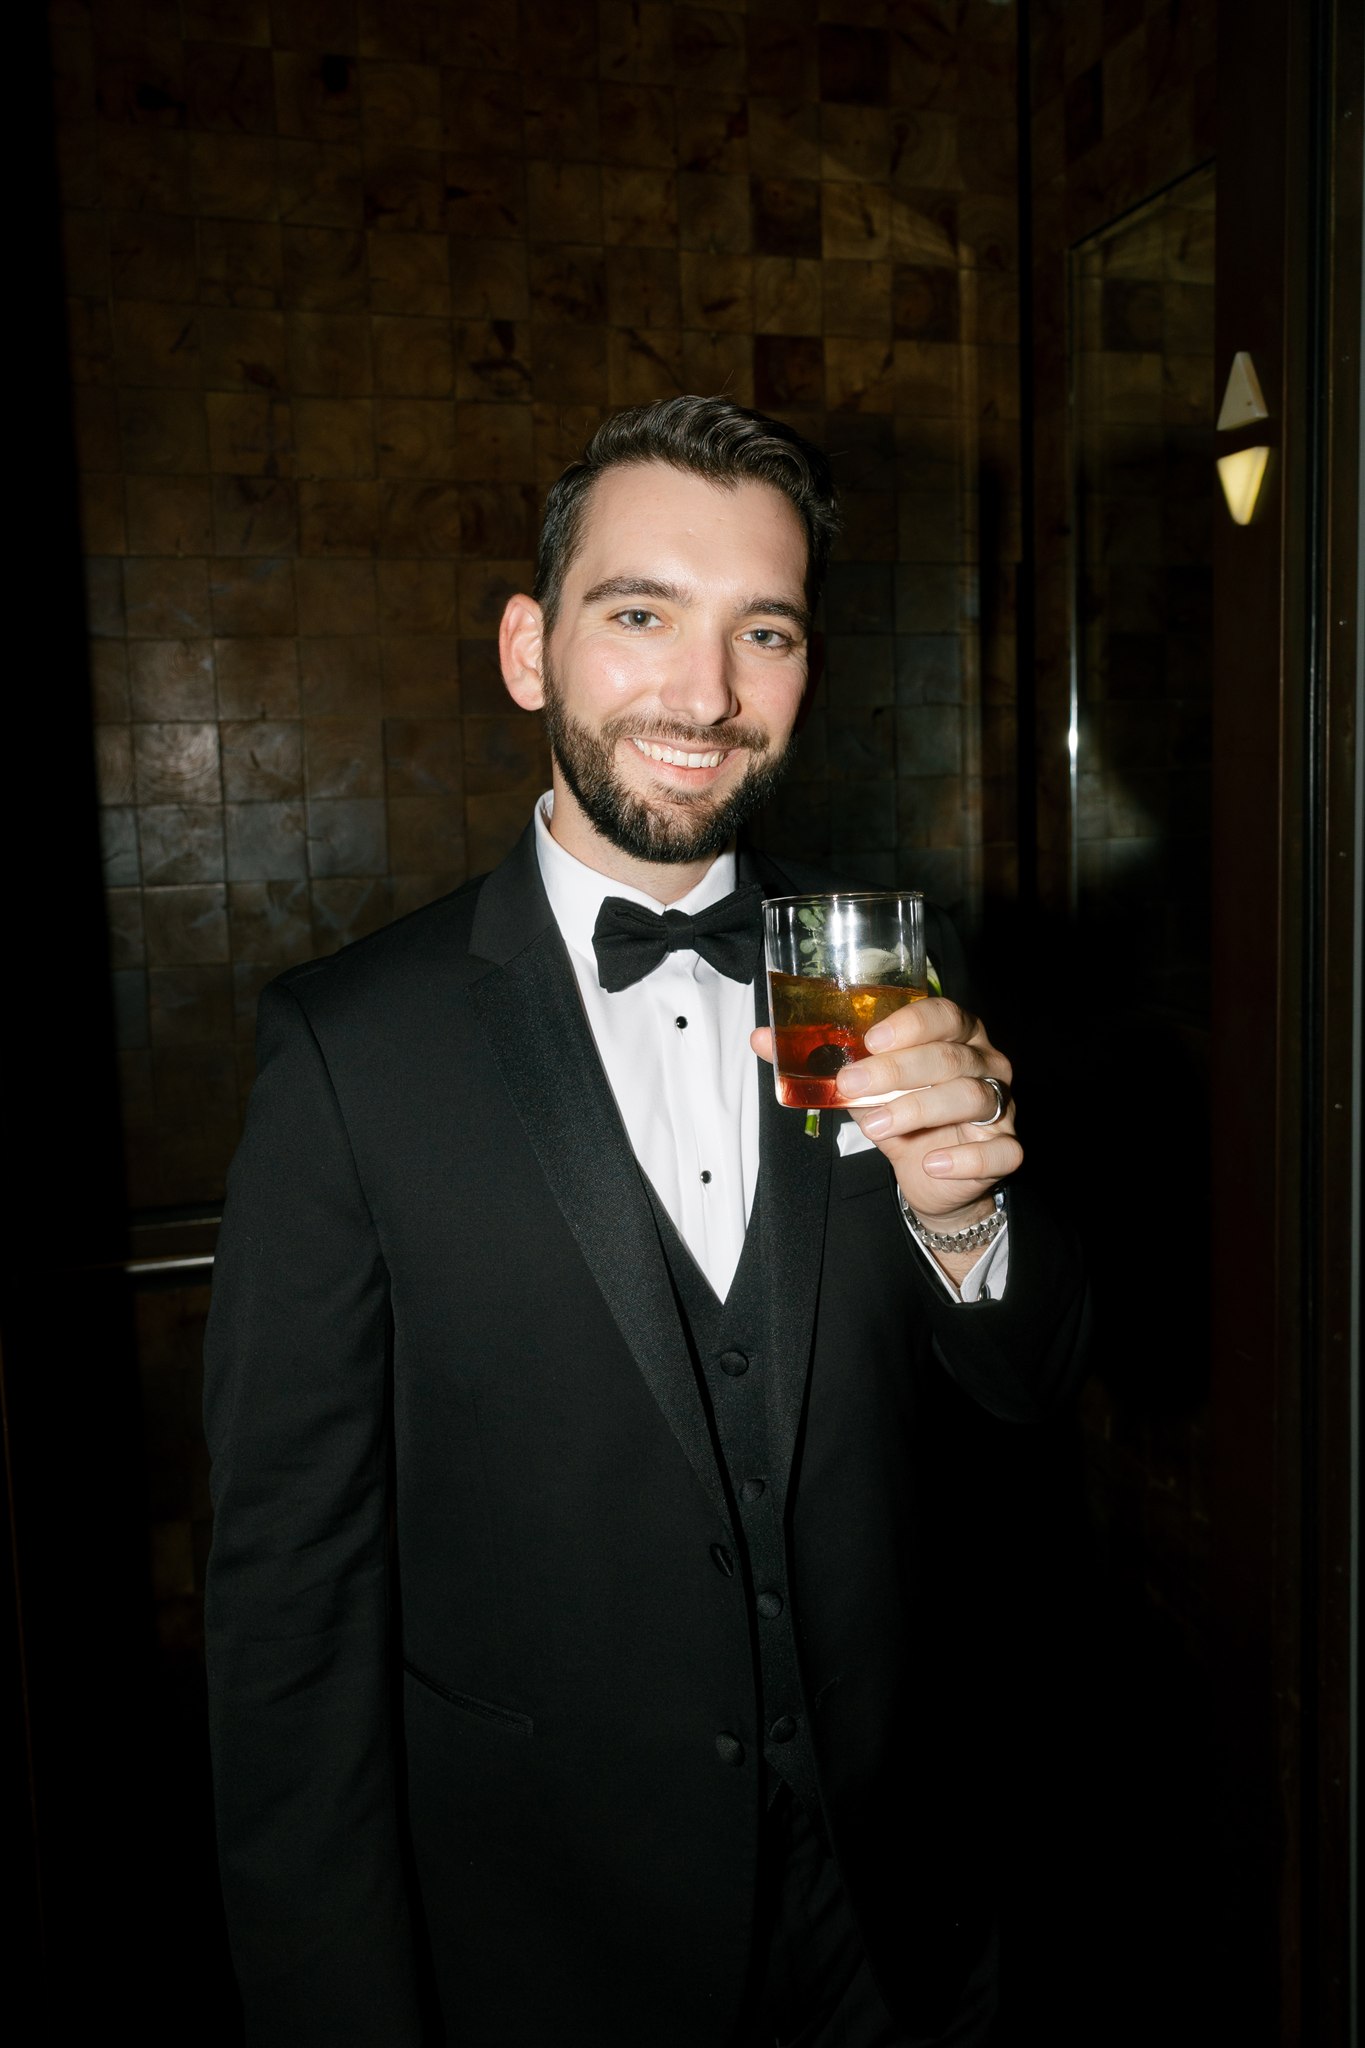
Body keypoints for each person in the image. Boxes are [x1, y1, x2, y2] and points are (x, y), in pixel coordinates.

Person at [204, 397, 1087, 2047]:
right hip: (547, 1935)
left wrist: (967, 1223)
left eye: (765, 631)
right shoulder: (350, 1049)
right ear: (527, 649)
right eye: (639, 614)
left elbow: (1027, 1391)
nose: (704, 695)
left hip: (891, 1909)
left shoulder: (891, 974)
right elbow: (288, 1605)